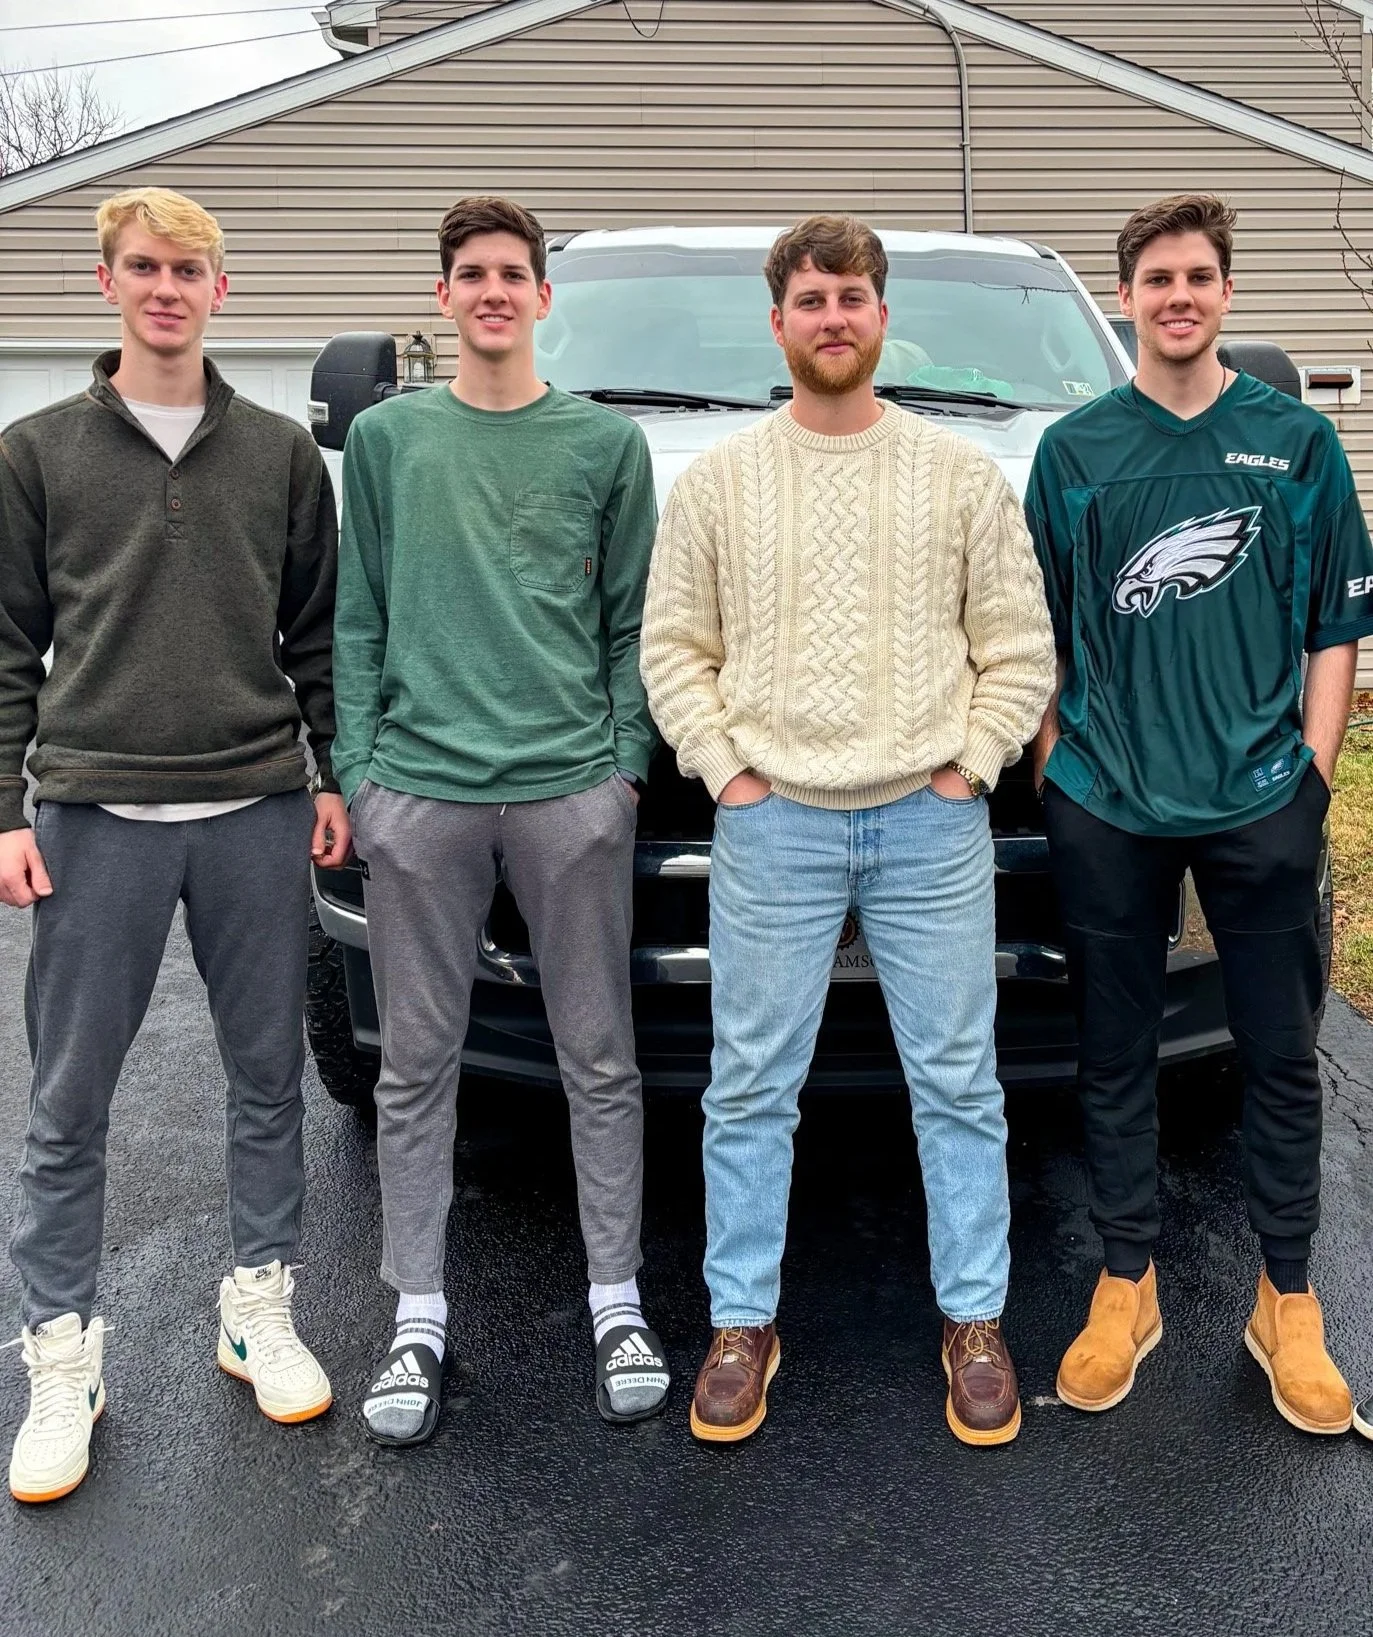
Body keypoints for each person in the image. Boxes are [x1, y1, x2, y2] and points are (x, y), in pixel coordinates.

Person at [641, 213, 1056, 1446]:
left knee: (957, 1082)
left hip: (929, 823)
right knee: (748, 1086)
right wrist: (726, 773)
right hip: (773, 823)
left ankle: (973, 1319)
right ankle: (740, 1321)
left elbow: (1017, 648)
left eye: (852, 296)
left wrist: (967, 767)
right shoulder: (716, 482)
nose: (833, 317)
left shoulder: (958, 476)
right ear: (777, 322)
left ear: (881, 316)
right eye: (811, 299)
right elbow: (673, 650)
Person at [0, 187, 346, 1504]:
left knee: (268, 1078)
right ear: (108, 283)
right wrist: (4, 809)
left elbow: (316, 632)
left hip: (254, 804)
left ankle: (256, 1305)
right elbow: (3, 644)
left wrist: (331, 773)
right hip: (94, 813)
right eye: (143, 267)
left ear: (219, 288)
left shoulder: (279, 456)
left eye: (188, 269)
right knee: (67, 1102)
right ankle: (63, 1353)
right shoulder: (34, 455)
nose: (166, 288)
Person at [1027, 193, 1373, 1435]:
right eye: (1156, 279)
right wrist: (1057, 767)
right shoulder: (1072, 451)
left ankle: (1285, 1295)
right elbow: (1035, 629)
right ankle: (1125, 1280)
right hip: (1108, 802)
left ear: (1225, 292)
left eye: (1197, 276)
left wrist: (1311, 778)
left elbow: (1333, 622)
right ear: (1124, 298)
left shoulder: (1294, 444)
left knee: (1277, 1052)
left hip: (1258, 800)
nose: (1177, 296)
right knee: (1112, 1050)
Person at [333, 195, 668, 1447]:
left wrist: (620, 770)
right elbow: (357, 615)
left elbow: (633, 621)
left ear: (541, 297)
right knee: (414, 1064)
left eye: (510, 274)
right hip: (419, 795)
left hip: (569, 794)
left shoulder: (604, 445)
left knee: (599, 1056)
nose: (490, 291)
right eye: (469, 273)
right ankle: (416, 1314)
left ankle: (617, 1301)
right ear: (443, 296)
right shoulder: (388, 441)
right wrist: (362, 772)